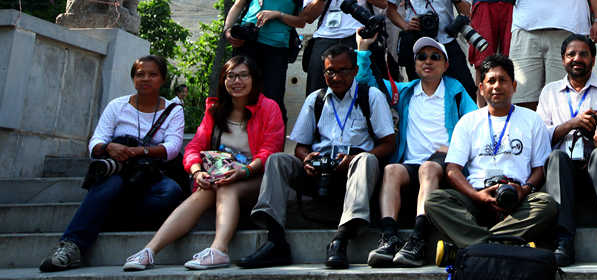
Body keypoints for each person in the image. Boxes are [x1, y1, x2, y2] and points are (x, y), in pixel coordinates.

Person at [236, 44, 396, 270]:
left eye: (342, 71)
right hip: (318, 170)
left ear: (354, 71)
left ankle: (341, 239)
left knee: (366, 160)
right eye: (330, 71)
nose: (336, 77)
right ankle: (275, 240)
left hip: (354, 170)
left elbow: (388, 144)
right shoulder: (316, 99)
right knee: (277, 160)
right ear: (324, 73)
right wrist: (307, 158)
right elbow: (300, 146)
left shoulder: (371, 96)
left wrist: (353, 160)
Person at [122, 56, 284, 270]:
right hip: (219, 178)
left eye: (244, 75)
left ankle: (219, 250)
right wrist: (197, 172)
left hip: (256, 179)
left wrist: (244, 171)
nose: (237, 81)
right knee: (203, 193)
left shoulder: (269, 108)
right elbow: (193, 147)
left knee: (227, 187)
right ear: (223, 81)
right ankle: (150, 251)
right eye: (231, 76)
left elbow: (269, 151)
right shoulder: (215, 111)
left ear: (254, 79)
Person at [39, 56, 185, 272]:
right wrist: (109, 148)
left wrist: (139, 151)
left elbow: (173, 148)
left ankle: (106, 213)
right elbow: (96, 141)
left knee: (171, 192)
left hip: (151, 175)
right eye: (140, 74)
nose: (145, 78)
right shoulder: (117, 106)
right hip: (117, 171)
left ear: (162, 79)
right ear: (133, 78)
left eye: (152, 74)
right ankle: (71, 247)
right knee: (109, 185)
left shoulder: (173, 109)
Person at [425, 54, 557, 266]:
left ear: (514, 85)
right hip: (477, 197)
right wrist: (476, 196)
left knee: (546, 204)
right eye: (491, 81)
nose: (497, 86)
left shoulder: (532, 119)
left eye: (503, 80)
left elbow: (539, 168)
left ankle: (467, 248)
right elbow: (452, 169)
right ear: (481, 87)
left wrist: (524, 190)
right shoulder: (468, 122)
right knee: (435, 200)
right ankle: (504, 245)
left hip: (517, 199)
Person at [360, 34, 478, 268]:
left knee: (428, 167)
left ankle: (418, 238)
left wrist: (455, 149)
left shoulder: (456, 91)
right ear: (414, 64)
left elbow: (477, 123)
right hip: (411, 163)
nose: (428, 61)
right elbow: (369, 85)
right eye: (421, 57)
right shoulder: (405, 92)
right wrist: (362, 49)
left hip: (444, 162)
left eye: (435, 57)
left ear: (445, 65)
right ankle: (389, 237)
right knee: (392, 169)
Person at [537, 34, 597, 268]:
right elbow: (540, 139)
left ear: (593, 59)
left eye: (583, 54)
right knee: (556, 156)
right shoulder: (549, 93)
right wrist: (572, 124)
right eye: (571, 54)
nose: (577, 58)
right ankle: (563, 240)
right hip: (564, 172)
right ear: (563, 59)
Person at [224, 0, 312, 123]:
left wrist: (277, 15)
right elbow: (238, 5)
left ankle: (272, 149)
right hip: (248, 44)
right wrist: (228, 30)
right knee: (240, 96)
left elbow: (301, 21)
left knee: (273, 101)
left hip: (277, 49)